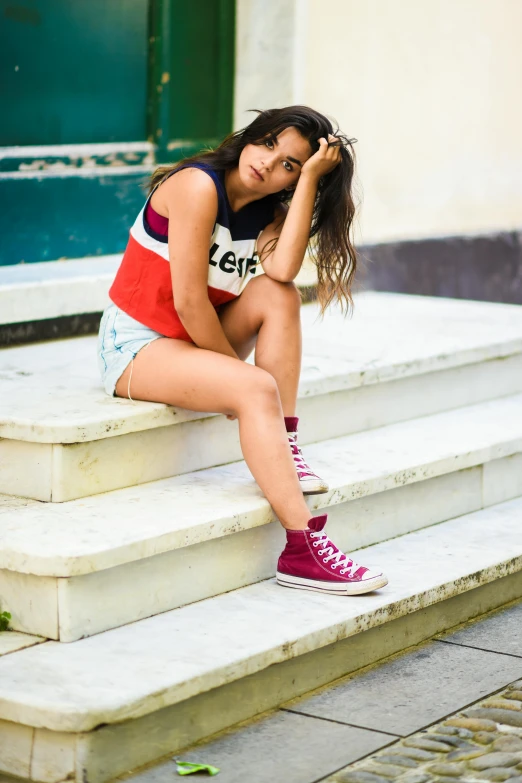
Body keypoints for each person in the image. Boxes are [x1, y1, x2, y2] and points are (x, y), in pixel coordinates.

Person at [98, 105, 388, 596]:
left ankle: (286, 444)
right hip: (137, 345)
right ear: (250, 136)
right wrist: (242, 383)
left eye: (290, 165)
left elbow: (283, 271)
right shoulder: (197, 186)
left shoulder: (270, 211)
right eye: (269, 143)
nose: (269, 162)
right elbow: (190, 302)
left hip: (191, 342)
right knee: (255, 388)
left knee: (278, 296)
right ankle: (302, 548)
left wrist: (311, 181)